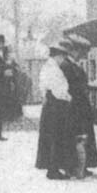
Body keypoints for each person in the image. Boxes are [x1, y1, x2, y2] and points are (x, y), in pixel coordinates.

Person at [34, 41, 77, 180]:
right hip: (57, 105)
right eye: (62, 57)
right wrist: (69, 98)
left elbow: (43, 87)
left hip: (50, 104)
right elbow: (59, 90)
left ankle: (52, 167)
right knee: (56, 137)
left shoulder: (47, 67)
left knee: (51, 136)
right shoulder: (54, 70)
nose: (63, 60)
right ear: (58, 56)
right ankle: (53, 169)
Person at [63, 34, 97, 177]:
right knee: (79, 136)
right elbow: (73, 86)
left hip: (80, 106)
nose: (82, 56)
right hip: (76, 107)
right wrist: (89, 86)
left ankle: (82, 166)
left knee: (82, 135)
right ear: (74, 51)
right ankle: (77, 167)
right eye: (81, 52)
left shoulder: (73, 65)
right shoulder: (68, 66)